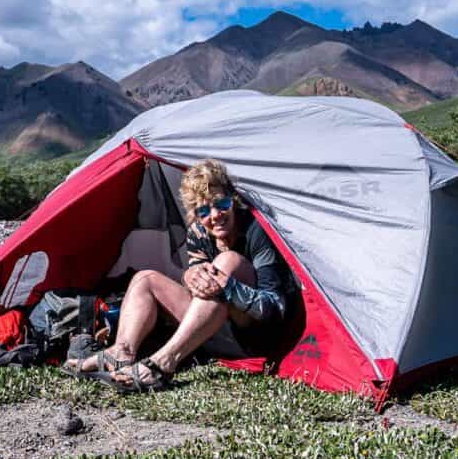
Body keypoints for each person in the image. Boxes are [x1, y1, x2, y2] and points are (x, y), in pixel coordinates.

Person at [68, 158, 297, 392]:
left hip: (255, 337)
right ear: (195, 214)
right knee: (144, 278)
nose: (215, 215)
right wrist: (188, 276)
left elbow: (275, 309)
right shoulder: (198, 233)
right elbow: (200, 292)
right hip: (210, 334)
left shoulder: (256, 231)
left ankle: (162, 364)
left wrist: (227, 285)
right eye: (204, 210)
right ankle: (120, 353)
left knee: (228, 261)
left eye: (222, 204)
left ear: (234, 200)